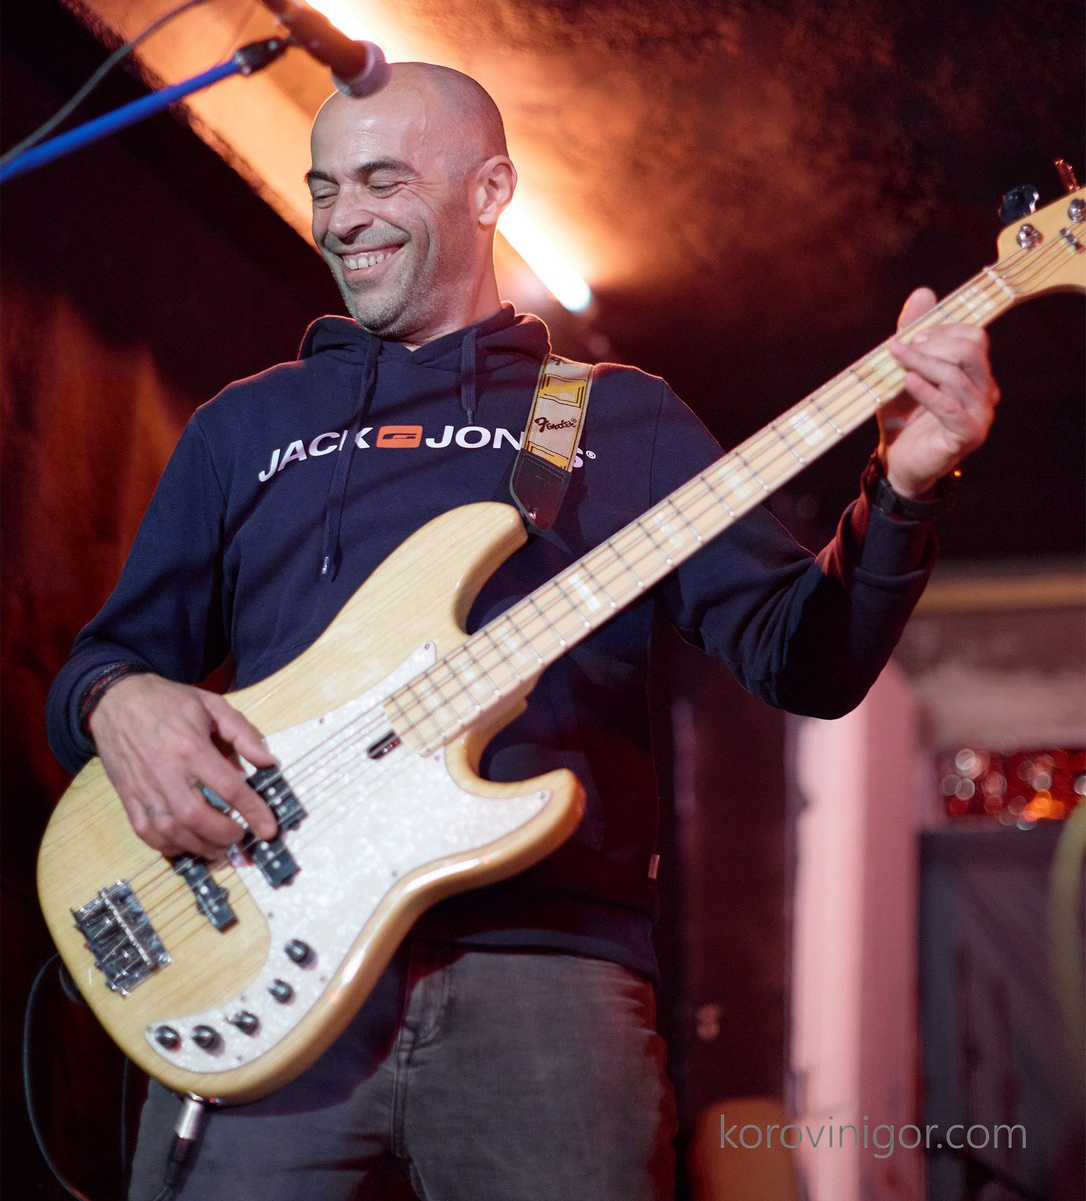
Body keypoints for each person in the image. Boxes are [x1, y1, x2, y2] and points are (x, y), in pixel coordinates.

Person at [45, 63, 999, 1200]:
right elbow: (101, 668)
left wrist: (901, 491)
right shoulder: (246, 426)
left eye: (382, 180)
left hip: (547, 985)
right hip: (255, 958)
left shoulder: (612, 417)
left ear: (491, 189)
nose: (343, 217)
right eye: (324, 187)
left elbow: (810, 659)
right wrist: (116, 700)